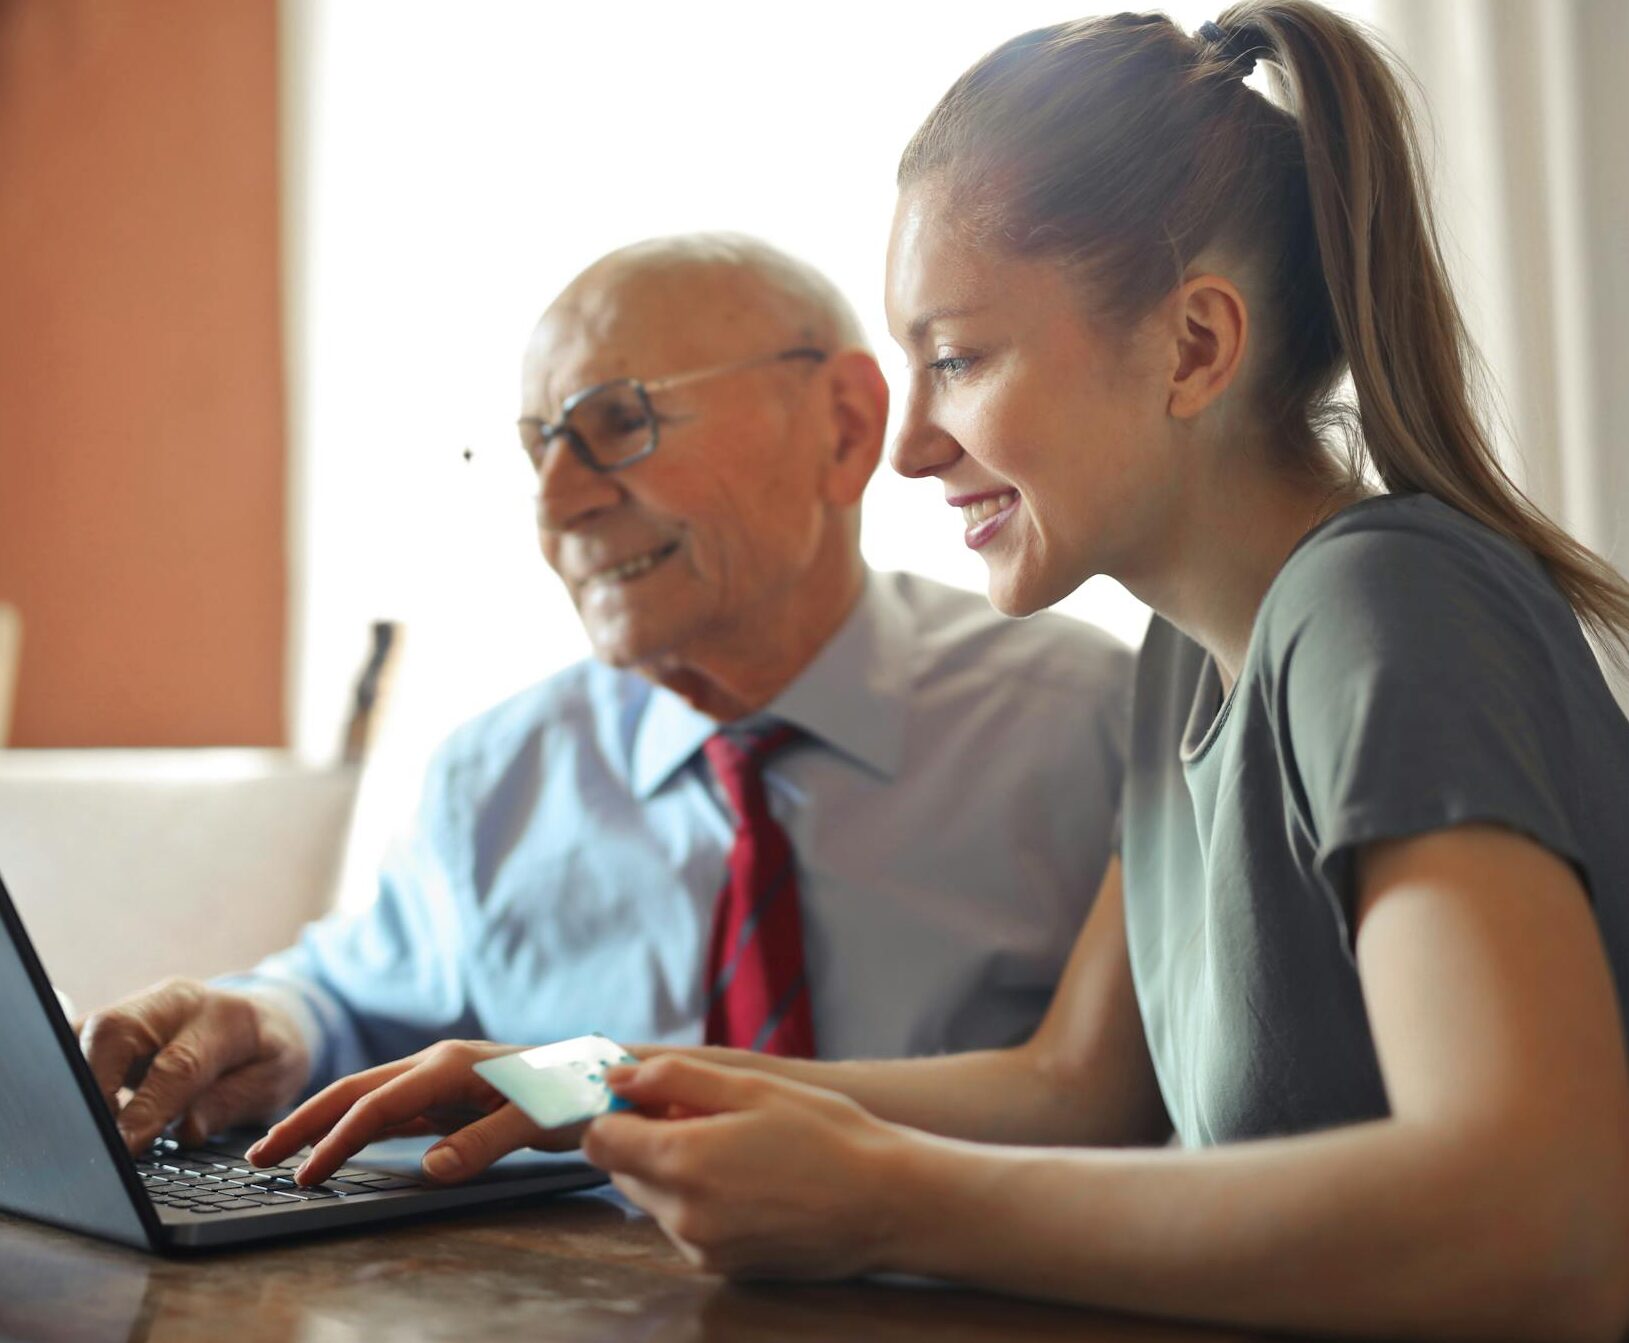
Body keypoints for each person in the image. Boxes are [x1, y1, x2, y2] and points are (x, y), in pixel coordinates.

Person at [249, 5, 1629, 1339]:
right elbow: (1071, 1090)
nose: (908, 447)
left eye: (958, 356)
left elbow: (1546, 1223)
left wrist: (888, 1205)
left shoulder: (1378, 604)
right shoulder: (1181, 670)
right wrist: (584, 1079)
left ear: (1196, 345)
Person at [77, 234, 1132, 1163]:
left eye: (617, 422)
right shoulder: (497, 773)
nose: (557, 505)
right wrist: (267, 1023)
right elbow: (353, 998)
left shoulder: (1089, 723)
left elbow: (1134, 1105)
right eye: (540, 445)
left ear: (847, 426)